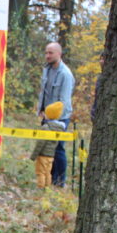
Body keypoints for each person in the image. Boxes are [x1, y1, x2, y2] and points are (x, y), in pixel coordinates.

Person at [37, 42, 74, 187]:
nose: (47, 55)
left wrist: (53, 118)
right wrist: (41, 110)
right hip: (46, 116)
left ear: (59, 54)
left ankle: (60, 182)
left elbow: (63, 101)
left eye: (50, 53)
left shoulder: (65, 74)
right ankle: (49, 179)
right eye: (46, 52)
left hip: (60, 118)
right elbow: (44, 92)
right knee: (46, 148)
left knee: (58, 149)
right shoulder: (46, 69)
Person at [30, 102, 66, 189]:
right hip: (51, 155)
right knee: (47, 172)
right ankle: (47, 187)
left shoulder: (46, 127)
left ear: (49, 115)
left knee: (40, 172)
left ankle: (40, 187)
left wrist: (33, 155)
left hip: (42, 155)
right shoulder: (59, 128)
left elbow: (40, 143)